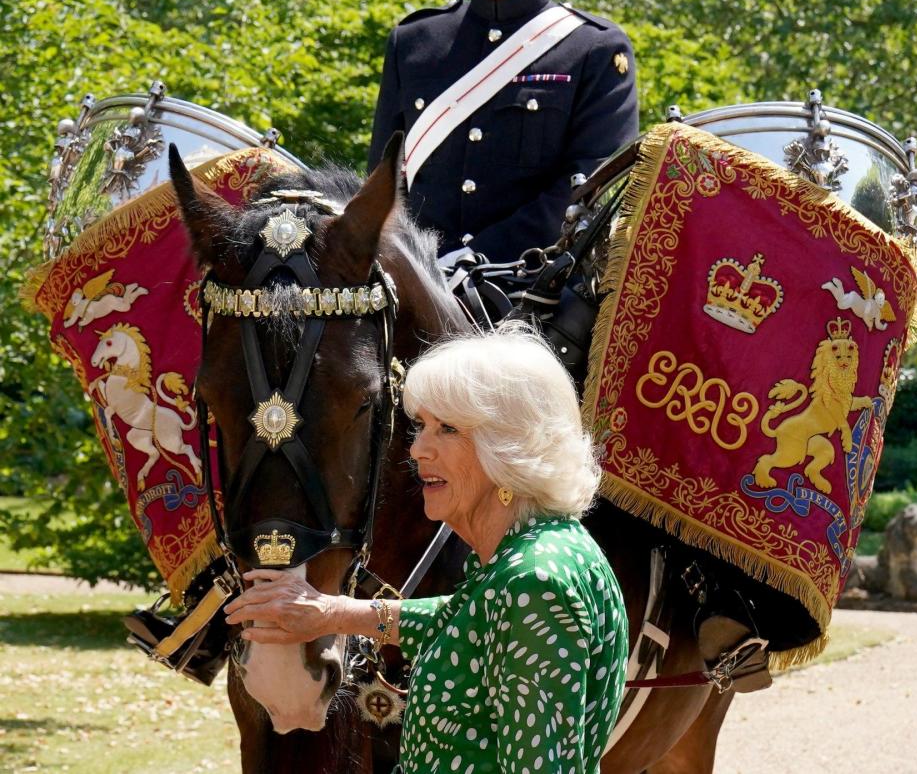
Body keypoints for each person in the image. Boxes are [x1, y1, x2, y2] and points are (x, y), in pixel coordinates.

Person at [224, 326, 629, 773]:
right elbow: (463, 623)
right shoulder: (540, 551)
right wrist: (329, 613)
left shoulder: (534, 581)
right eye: (421, 427)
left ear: (511, 447)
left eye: (447, 429)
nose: (417, 449)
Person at [368, 0, 638, 266]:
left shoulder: (593, 50)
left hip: (530, 292)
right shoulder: (414, 42)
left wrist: (471, 262)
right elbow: (381, 182)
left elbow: (591, 190)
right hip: (416, 289)